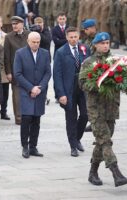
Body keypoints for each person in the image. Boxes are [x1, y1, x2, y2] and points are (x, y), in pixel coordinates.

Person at [79, 32, 127, 187]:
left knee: (101, 141)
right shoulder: (89, 62)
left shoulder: (115, 61)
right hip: (96, 109)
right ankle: (116, 172)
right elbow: (82, 84)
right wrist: (98, 84)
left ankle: (92, 172)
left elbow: (124, 81)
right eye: (102, 43)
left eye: (107, 42)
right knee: (105, 140)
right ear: (95, 45)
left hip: (112, 108)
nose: (105, 45)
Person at [53, 27, 91, 157]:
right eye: (71, 37)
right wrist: (60, 94)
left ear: (78, 36)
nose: (74, 39)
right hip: (68, 89)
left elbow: (91, 67)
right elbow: (57, 74)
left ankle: (77, 138)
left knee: (85, 114)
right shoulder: (61, 52)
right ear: (67, 37)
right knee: (71, 118)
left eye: (75, 37)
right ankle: (73, 146)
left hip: (83, 87)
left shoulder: (85, 49)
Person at [13, 32, 51, 158]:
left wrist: (40, 87)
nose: (36, 44)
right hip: (26, 91)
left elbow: (47, 72)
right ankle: (25, 146)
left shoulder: (45, 53)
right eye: (33, 42)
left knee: (36, 119)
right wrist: (31, 88)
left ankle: (33, 146)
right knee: (26, 118)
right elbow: (17, 74)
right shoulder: (20, 53)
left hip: (39, 91)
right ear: (28, 41)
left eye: (38, 42)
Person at [4, 16, 30, 125]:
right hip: (16, 71)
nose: (14, 26)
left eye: (16, 23)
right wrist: (8, 72)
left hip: (29, 70)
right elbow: (7, 56)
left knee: (29, 93)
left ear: (22, 24)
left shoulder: (29, 35)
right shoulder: (9, 37)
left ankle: (29, 116)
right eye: (13, 24)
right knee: (17, 95)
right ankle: (19, 118)